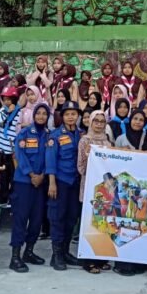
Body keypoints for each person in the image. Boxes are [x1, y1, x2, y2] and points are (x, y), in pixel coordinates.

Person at [9, 103, 50, 273]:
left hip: (41, 183)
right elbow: (20, 155)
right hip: (24, 182)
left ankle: (29, 252)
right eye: (38, 113)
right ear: (33, 116)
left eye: (44, 114)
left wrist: (42, 176)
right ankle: (15, 256)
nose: (41, 116)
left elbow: (51, 157)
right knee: (21, 218)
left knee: (36, 219)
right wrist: (32, 174)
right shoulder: (25, 133)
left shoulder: (49, 136)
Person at [46, 101, 82, 271]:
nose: (70, 117)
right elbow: (51, 161)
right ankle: (56, 255)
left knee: (71, 218)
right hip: (60, 182)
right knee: (58, 218)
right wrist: (52, 183)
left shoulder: (81, 135)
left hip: (75, 182)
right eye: (67, 114)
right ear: (62, 116)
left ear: (77, 116)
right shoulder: (55, 135)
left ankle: (66, 252)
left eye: (73, 114)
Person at [77, 110, 113, 273]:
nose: (99, 124)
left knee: (103, 222)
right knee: (89, 223)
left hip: (105, 188)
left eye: (102, 121)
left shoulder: (107, 141)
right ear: (90, 122)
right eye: (96, 121)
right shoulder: (85, 141)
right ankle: (88, 261)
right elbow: (80, 167)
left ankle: (101, 258)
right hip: (90, 186)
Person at [0, 87, 21, 206]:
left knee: (12, 176)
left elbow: (18, 130)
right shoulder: (1, 110)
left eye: (10, 99)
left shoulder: (20, 112)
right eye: (5, 99)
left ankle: (12, 198)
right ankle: (2, 199)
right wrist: (6, 112)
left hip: (11, 150)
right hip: (0, 149)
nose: (7, 102)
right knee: (1, 176)